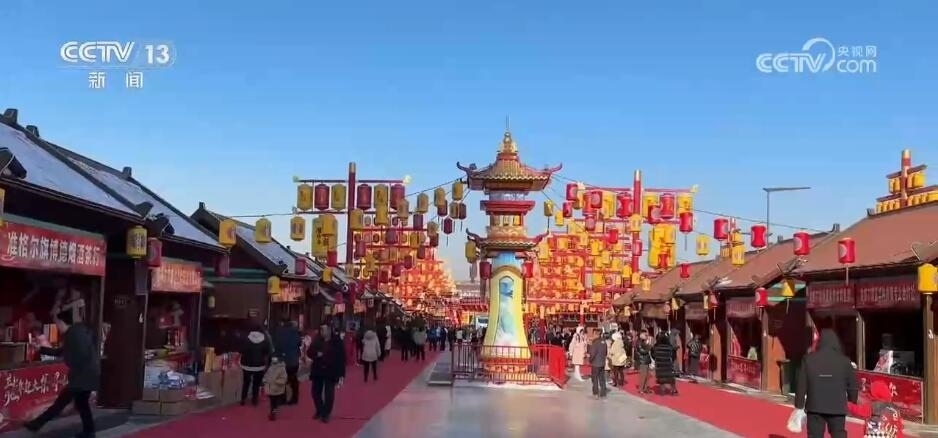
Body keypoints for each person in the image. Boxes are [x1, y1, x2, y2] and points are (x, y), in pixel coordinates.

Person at [24, 311, 99, 437]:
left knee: (61, 403)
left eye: (57, 323)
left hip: (81, 376)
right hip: (87, 375)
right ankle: (89, 432)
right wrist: (41, 349)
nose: (57, 327)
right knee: (81, 404)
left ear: (61, 322)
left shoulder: (73, 334)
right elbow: (60, 352)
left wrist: (71, 363)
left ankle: (36, 424)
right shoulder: (77, 332)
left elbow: (78, 354)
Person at [794, 329, 859, 438]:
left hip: (815, 406)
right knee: (838, 434)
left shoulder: (808, 359)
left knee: (814, 435)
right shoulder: (844, 361)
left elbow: (801, 384)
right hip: (837, 406)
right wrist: (852, 401)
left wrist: (799, 404)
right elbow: (852, 385)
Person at [307, 324, 346, 423]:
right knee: (315, 392)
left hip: (331, 370)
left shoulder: (336, 341)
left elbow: (342, 358)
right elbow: (309, 352)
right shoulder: (317, 340)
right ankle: (320, 410)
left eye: (324, 329)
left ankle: (326, 413)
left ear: (329, 330)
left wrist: (341, 373)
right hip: (318, 370)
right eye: (321, 329)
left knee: (329, 393)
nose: (322, 331)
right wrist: (316, 354)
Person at [239, 322, 271, 406]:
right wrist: (266, 363)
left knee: (246, 382)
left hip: (246, 364)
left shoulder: (246, 338)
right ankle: (254, 400)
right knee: (256, 383)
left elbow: (241, 350)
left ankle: (243, 399)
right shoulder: (265, 339)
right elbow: (267, 352)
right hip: (259, 365)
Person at [273, 318, 301, 404]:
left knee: (282, 379)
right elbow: (299, 343)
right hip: (293, 360)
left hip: (282, 359)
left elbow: (276, 346)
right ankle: (295, 397)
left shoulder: (279, 332)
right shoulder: (295, 332)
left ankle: (283, 398)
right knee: (293, 379)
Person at [263, 356, 288, 421]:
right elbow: (267, 375)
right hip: (270, 388)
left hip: (277, 388)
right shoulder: (271, 367)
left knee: (274, 401)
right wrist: (265, 380)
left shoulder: (282, 368)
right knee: (272, 401)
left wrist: (276, 381)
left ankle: (273, 412)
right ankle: (273, 411)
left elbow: (284, 379)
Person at [588, 332, 608, 398]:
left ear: (596, 335)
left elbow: (592, 354)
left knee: (595, 378)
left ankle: (596, 393)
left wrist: (590, 360)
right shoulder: (604, 342)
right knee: (602, 378)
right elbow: (606, 352)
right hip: (602, 362)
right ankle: (603, 393)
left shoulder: (595, 343)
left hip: (595, 363)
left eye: (593, 335)